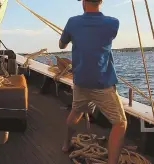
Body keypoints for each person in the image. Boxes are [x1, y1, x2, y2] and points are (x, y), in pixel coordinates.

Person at [59, 0, 127, 164]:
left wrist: (69, 39)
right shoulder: (113, 23)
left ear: (83, 2)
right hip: (103, 84)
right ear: (101, 1)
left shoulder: (72, 22)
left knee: (76, 111)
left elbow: (61, 45)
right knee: (120, 123)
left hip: (81, 82)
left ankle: (66, 144)